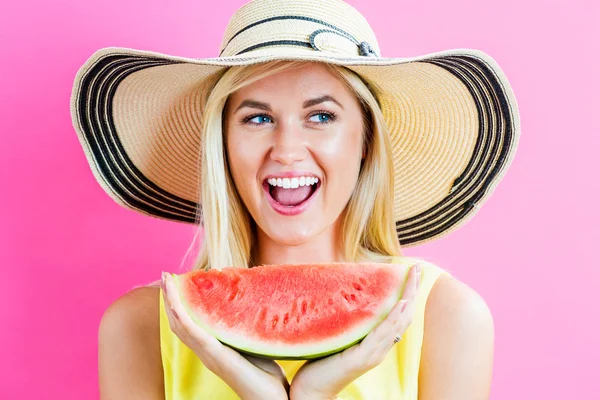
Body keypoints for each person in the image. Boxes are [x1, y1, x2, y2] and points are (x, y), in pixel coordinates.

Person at [71, 0, 520, 399]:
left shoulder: (447, 317)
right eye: (258, 117)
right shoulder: (139, 327)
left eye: (321, 116)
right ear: (223, 142)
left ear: (365, 140)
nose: (286, 150)